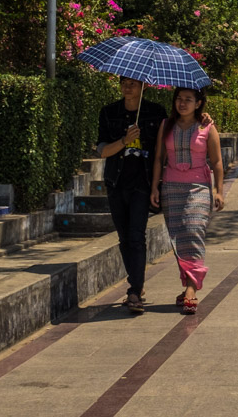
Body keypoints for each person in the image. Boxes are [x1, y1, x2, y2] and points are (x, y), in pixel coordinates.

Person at [150, 87, 224, 315]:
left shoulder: (207, 127)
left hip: (199, 187)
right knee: (176, 236)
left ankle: (191, 289)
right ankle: (188, 285)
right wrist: (155, 186)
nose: (182, 103)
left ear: (198, 103)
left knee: (193, 231)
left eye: (188, 100)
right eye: (179, 99)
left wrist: (219, 190)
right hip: (171, 187)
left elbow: (217, 161)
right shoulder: (166, 125)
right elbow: (159, 158)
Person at [96, 76, 167, 314]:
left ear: (142, 87)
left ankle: (134, 290)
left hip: (142, 184)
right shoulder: (108, 112)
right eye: (124, 82)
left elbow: (162, 148)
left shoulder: (156, 113)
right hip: (116, 183)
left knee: (137, 236)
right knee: (124, 237)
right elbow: (103, 151)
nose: (128, 87)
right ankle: (137, 282)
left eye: (133, 83)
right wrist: (124, 141)